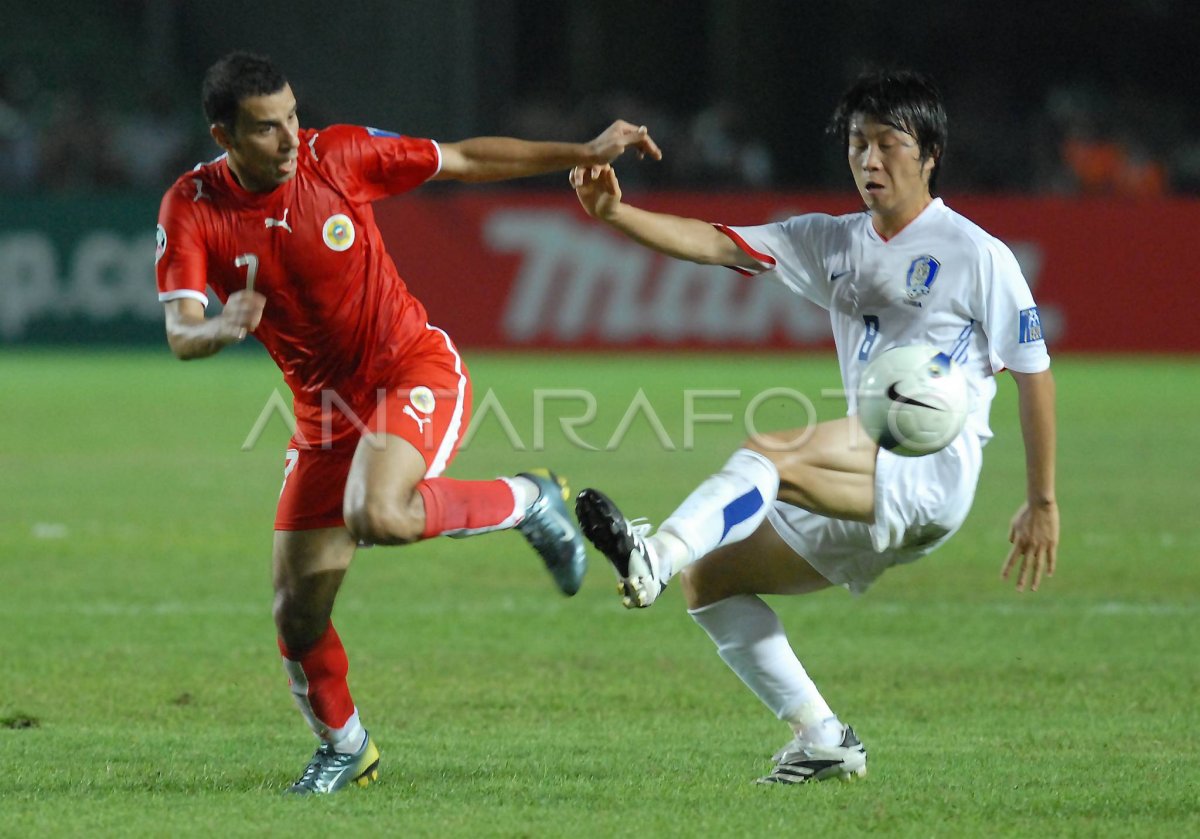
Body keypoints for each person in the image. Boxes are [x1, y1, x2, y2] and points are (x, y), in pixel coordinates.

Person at [154, 52, 661, 795]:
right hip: (323, 417)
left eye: (294, 116)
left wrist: (582, 150)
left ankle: (526, 499)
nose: (292, 137)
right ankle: (345, 747)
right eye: (267, 129)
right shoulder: (191, 205)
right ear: (223, 134)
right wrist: (224, 325)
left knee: (378, 512)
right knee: (297, 615)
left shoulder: (340, 155)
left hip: (412, 371)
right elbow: (180, 332)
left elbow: (462, 158)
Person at [570, 69, 1057, 784]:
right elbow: (716, 243)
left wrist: (1041, 500)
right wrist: (615, 215)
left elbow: (1033, 371)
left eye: (888, 144)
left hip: (931, 466)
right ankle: (822, 736)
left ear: (929, 155)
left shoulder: (977, 254)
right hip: (869, 479)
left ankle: (654, 552)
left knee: (773, 452)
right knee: (712, 579)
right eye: (858, 144)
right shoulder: (828, 241)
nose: (868, 160)